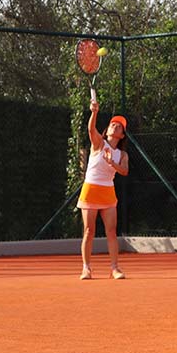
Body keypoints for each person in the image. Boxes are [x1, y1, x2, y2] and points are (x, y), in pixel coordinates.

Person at [77, 99, 129, 280]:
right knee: (89, 231)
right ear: (108, 130)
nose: (115, 126)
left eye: (119, 127)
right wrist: (94, 112)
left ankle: (115, 268)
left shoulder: (122, 154)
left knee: (111, 231)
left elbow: (124, 171)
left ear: (122, 135)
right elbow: (91, 129)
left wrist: (111, 162)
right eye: (113, 124)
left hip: (108, 192)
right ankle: (86, 269)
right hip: (90, 189)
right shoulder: (99, 143)